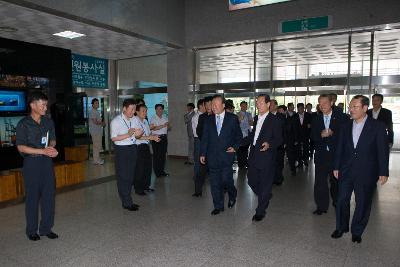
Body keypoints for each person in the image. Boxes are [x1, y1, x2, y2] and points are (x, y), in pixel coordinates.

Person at [332, 95, 389, 243]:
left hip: (367, 171)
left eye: (355, 107)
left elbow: (382, 151)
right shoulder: (345, 126)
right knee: (341, 199)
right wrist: (336, 166)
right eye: (350, 106)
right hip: (346, 169)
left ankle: (357, 231)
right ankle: (341, 227)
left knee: (362, 202)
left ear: (365, 108)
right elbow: (340, 148)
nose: (351, 109)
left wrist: (383, 172)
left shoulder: (378, 126)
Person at [16, 91, 59, 241]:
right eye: (43, 105)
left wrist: (51, 148)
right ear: (33, 105)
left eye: (46, 105)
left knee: (49, 196)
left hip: (46, 162)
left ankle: (46, 228)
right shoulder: (23, 124)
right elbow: (21, 147)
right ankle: (32, 230)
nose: (46, 108)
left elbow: (52, 139)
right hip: (31, 163)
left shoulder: (48, 122)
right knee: (32, 197)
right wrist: (41, 150)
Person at [200, 95, 242, 215]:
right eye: (212, 105)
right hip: (212, 156)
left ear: (223, 105)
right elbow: (205, 138)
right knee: (214, 183)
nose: (214, 107)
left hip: (226, 156)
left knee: (226, 180)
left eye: (216, 105)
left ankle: (232, 194)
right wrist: (202, 153)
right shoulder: (208, 120)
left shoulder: (232, 119)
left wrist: (234, 147)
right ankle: (218, 206)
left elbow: (239, 137)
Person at [311, 94, 348, 215]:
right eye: (320, 104)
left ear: (331, 103)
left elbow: (346, 137)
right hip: (321, 156)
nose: (322, 106)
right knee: (320, 183)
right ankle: (321, 206)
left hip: (336, 156)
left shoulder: (342, 118)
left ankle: (337, 202)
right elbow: (312, 136)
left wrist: (333, 133)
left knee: (336, 182)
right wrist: (320, 135)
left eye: (325, 103)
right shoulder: (316, 119)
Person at [247, 95, 283, 221]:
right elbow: (254, 136)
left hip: (267, 157)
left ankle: (260, 211)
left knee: (265, 184)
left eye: (261, 103)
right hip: (254, 156)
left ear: (268, 104)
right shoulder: (257, 118)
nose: (258, 105)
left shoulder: (275, 120)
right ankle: (265, 195)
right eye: (257, 102)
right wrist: (238, 144)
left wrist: (269, 144)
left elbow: (279, 139)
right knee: (251, 180)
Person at [111, 98, 143, 211]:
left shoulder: (134, 119)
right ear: (124, 108)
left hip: (133, 148)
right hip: (121, 150)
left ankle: (128, 200)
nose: (133, 111)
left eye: (134, 109)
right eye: (131, 109)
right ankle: (126, 202)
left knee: (130, 176)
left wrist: (139, 133)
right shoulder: (116, 121)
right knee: (123, 176)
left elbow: (138, 135)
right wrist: (127, 134)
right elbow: (114, 138)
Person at [133, 104, 160, 196]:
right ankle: (138, 188)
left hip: (146, 146)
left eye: (146, 111)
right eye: (143, 111)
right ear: (137, 112)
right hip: (138, 147)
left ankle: (146, 186)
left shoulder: (145, 121)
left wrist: (153, 135)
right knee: (140, 168)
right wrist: (151, 137)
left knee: (147, 167)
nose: (145, 113)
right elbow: (137, 137)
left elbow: (148, 134)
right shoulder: (134, 121)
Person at [194, 96, 213, 197]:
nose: (208, 106)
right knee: (201, 171)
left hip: (215, 149)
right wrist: (205, 140)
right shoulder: (202, 117)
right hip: (205, 148)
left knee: (217, 172)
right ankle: (198, 191)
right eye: (206, 104)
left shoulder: (217, 116)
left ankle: (223, 189)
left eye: (210, 104)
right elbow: (198, 131)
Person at [191, 98, 206, 197]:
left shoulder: (204, 116)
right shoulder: (197, 117)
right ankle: (197, 179)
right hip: (199, 140)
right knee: (198, 161)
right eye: (206, 105)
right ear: (201, 106)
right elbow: (199, 131)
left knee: (203, 161)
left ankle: (201, 178)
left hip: (203, 140)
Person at [150, 104, 169, 177]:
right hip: (156, 138)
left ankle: (162, 171)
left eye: (160, 109)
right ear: (155, 110)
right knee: (157, 156)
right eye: (157, 109)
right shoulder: (153, 118)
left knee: (163, 155)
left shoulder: (165, 117)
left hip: (164, 137)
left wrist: (168, 125)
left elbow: (169, 127)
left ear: (163, 110)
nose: (159, 110)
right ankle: (157, 172)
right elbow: (153, 128)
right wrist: (163, 125)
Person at [270, 100, 285, 186]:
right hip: (269, 143)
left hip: (279, 143)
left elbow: (285, 130)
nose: (270, 106)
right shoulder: (267, 116)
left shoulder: (281, 116)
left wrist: (284, 141)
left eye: (272, 105)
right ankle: (272, 178)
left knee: (279, 161)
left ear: (276, 106)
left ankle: (279, 178)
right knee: (271, 161)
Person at [285, 102, 300, 176]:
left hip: (294, 137)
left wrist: (297, 138)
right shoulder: (285, 115)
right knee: (289, 153)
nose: (293, 107)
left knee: (293, 153)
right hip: (287, 137)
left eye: (293, 106)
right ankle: (292, 166)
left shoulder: (296, 115)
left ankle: (293, 166)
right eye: (292, 106)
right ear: (288, 107)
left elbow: (298, 127)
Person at [237, 101, 253, 169]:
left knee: (246, 149)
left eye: (245, 105)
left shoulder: (249, 114)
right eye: (243, 105)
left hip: (248, 133)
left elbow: (251, 123)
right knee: (240, 149)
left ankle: (245, 162)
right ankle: (240, 164)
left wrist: (251, 121)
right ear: (240, 106)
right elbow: (236, 124)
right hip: (241, 133)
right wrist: (240, 120)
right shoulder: (237, 114)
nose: (244, 107)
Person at [89, 98, 105, 165]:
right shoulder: (92, 111)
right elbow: (95, 121)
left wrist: (102, 123)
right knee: (96, 146)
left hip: (98, 131)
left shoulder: (96, 111)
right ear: (92, 104)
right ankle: (96, 160)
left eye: (98, 103)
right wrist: (102, 123)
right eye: (96, 103)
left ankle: (97, 159)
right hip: (95, 132)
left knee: (97, 145)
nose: (97, 104)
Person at [296, 103, 312, 167]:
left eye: (301, 108)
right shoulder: (295, 116)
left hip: (306, 135)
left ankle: (305, 160)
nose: (300, 110)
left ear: (303, 108)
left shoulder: (308, 115)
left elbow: (312, 123)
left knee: (306, 148)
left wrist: (310, 126)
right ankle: (299, 162)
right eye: (299, 108)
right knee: (298, 149)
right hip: (298, 136)